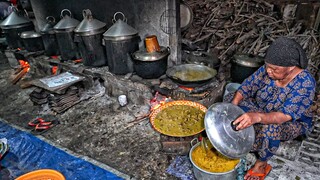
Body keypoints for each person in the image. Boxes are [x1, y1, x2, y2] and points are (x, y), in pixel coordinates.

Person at [229, 37, 316, 180]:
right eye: (267, 66)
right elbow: (246, 87)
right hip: (262, 108)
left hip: (290, 121)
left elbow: (284, 116)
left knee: (271, 129)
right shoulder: (268, 69)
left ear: (291, 67)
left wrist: (256, 117)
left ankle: (261, 164)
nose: (269, 71)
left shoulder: (305, 83)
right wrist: (233, 107)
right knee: (230, 102)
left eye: (275, 69)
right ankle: (251, 137)